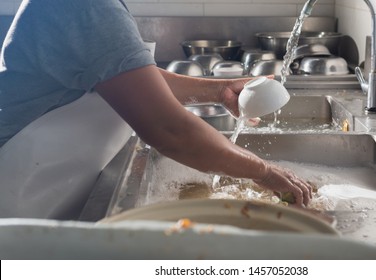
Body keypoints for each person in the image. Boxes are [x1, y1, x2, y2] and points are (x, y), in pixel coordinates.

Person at [0, 0, 312, 219]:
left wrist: (217, 91)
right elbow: (172, 132)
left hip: (38, 186)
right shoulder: (89, 7)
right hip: (17, 196)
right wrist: (266, 173)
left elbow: (124, 74)